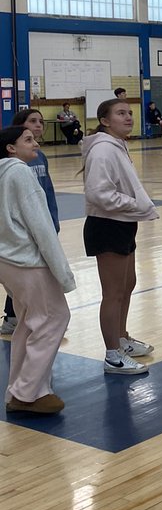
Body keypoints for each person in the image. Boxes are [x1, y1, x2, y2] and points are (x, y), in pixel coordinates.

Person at [0, 125, 75, 414]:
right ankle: (26, 392)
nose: (36, 143)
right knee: (55, 317)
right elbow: (42, 226)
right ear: (11, 147)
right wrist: (63, 274)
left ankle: (21, 388)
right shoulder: (20, 172)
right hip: (27, 261)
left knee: (29, 323)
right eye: (28, 139)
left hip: (7, 261)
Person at [82, 98, 159, 375]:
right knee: (113, 293)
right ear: (104, 120)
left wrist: (132, 208)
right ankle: (112, 355)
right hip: (106, 225)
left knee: (128, 284)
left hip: (123, 223)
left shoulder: (117, 146)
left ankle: (122, 338)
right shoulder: (103, 150)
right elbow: (98, 194)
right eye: (120, 113)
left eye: (130, 113)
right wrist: (135, 204)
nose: (128, 117)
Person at [1, 108, 61, 336]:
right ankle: (14, 319)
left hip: (44, 223)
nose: (38, 126)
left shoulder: (39, 157)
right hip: (22, 237)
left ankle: (27, 320)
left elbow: (47, 192)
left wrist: (52, 220)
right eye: (32, 122)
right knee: (24, 284)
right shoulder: (13, 167)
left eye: (40, 122)